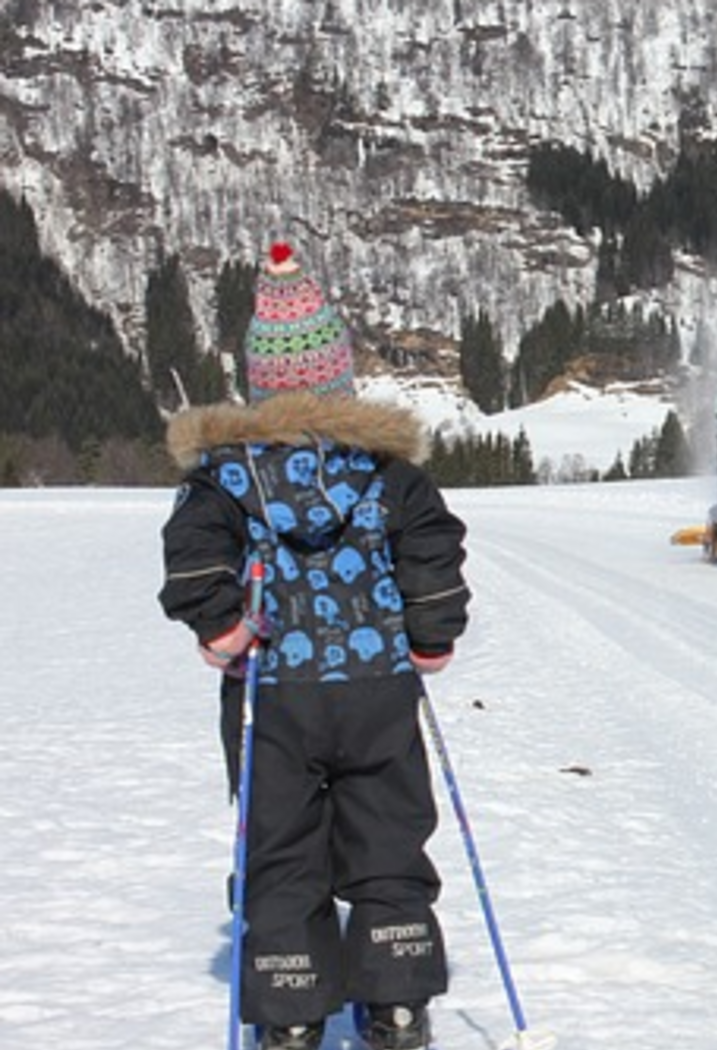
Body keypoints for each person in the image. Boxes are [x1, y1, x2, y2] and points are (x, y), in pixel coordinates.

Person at [159, 242, 471, 1050]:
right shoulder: (385, 471)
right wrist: (429, 637)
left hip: (273, 696)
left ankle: (292, 1009)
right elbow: (432, 551)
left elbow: (193, 555)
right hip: (376, 688)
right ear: (338, 376)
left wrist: (224, 626)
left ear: (260, 385)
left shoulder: (227, 475)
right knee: (387, 837)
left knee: (280, 846)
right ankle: (396, 1002)